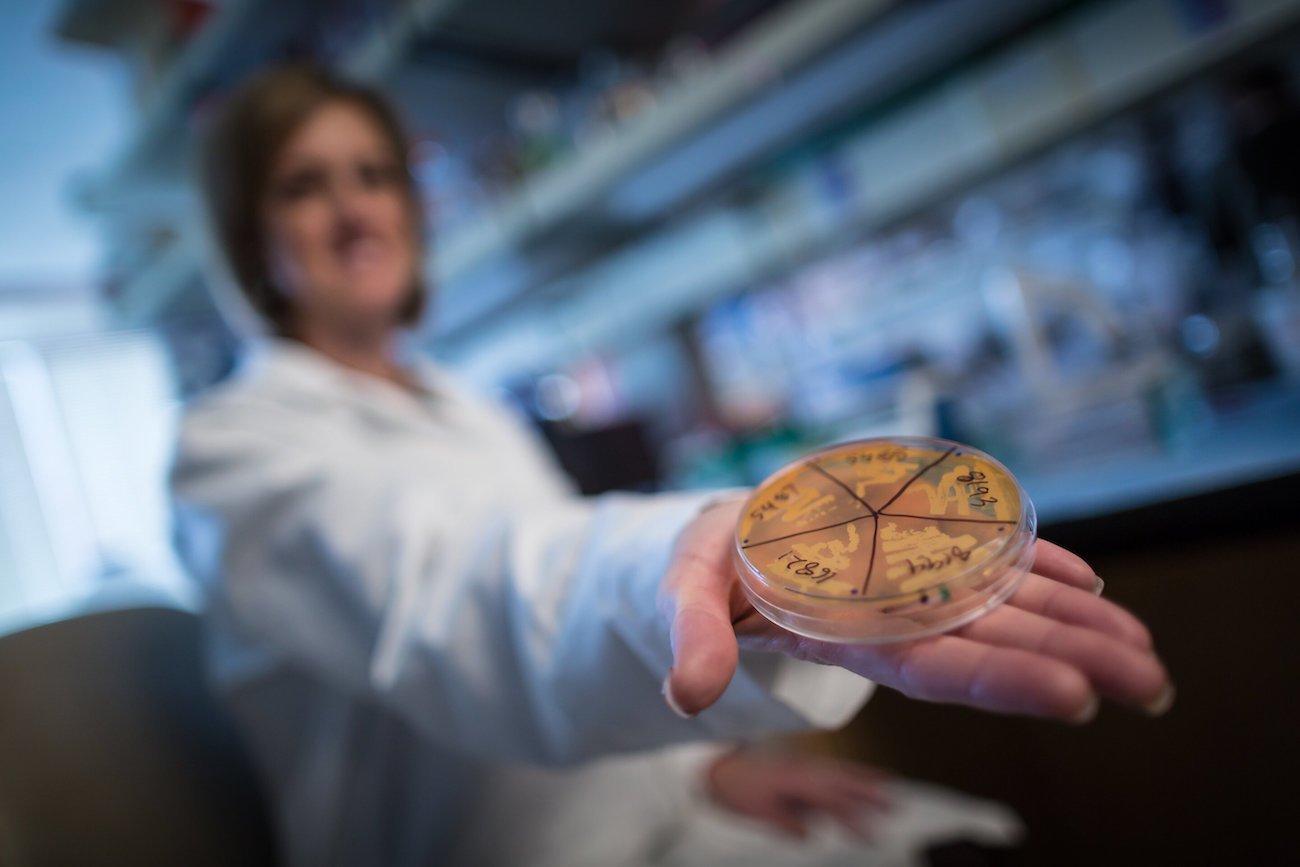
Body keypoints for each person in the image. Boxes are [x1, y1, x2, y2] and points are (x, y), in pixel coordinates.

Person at [169, 64, 1172, 867]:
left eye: (373, 174)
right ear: (252, 238)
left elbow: (560, 643)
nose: (354, 210)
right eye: (304, 186)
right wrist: (710, 554)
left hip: (648, 819)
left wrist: (702, 774)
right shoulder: (233, 448)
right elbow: (471, 605)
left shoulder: (461, 409)